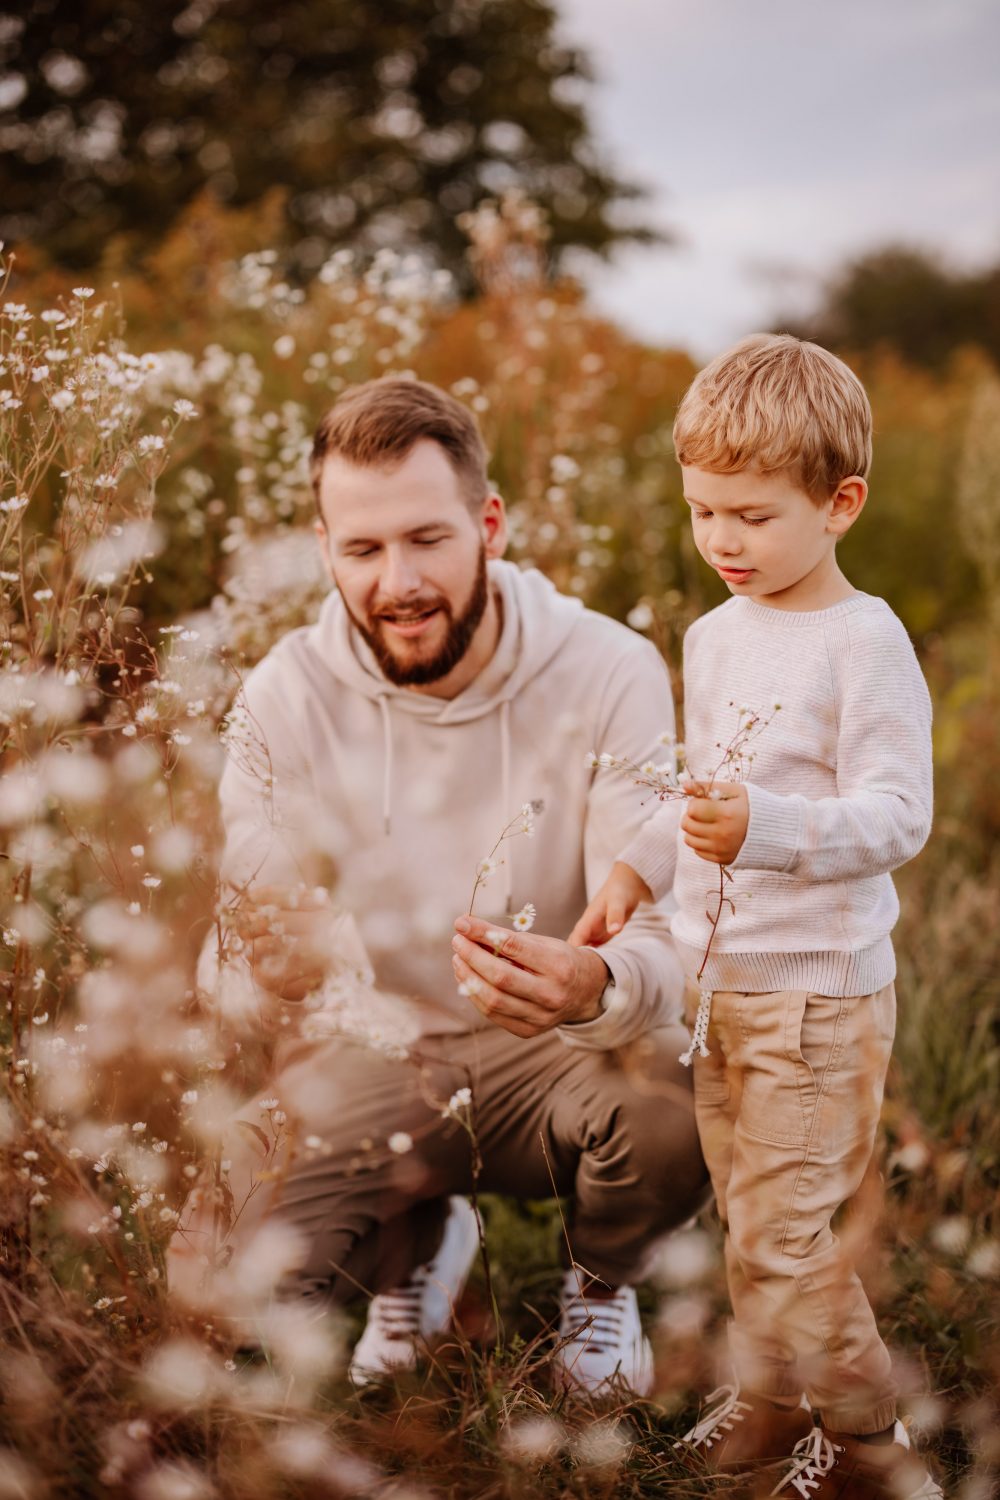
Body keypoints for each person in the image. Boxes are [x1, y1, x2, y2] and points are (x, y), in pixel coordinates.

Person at [170, 377, 707, 1394]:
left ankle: (601, 1280)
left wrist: (598, 985)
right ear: (325, 549)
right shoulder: (283, 696)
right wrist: (271, 977)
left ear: (488, 525)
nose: (398, 582)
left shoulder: (607, 669)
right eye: (362, 550)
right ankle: (410, 1241)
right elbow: (233, 953)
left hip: (563, 1053)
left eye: (426, 540)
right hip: (373, 1050)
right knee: (220, 1303)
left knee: (676, 1090)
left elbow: (666, 926)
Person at [573, 336, 941, 1496]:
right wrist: (639, 866)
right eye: (701, 513)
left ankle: (872, 1451)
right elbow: (705, 785)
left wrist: (769, 829)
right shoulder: (716, 633)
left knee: (788, 1241)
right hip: (720, 991)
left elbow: (897, 816)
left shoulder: (862, 641)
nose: (721, 542)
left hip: (817, 999)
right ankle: (778, 1406)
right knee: (751, 1226)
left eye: (749, 516)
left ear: (840, 504)